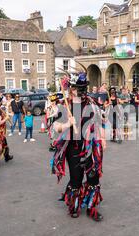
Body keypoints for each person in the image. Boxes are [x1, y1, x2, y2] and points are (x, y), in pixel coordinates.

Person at [51, 71, 105, 221]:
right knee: (76, 178)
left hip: (91, 147)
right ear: (70, 88)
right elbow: (56, 127)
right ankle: (74, 205)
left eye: (82, 88)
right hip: (73, 147)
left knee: (93, 178)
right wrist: (68, 123)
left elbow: (99, 122)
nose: (80, 91)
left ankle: (91, 208)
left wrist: (103, 139)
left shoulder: (92, 103)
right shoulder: (64, 105)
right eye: (76, 88)